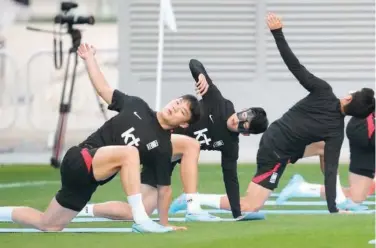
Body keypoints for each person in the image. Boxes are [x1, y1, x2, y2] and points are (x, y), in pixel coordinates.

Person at [177, 12, 375, 214]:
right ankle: (192, 199)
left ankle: (333, 198)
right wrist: (332, 209)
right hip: (276, 151)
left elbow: (294, 66)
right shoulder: (336, 132)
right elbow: (331, 171)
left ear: (348, 99)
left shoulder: (324, 92)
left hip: (279, 141)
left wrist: (277, 33)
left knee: (323, 149)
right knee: (250, 206)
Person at [0, 43, 201, 233]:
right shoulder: (137, 105)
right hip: (80, 158)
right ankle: (141, 221)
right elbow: (104, 89)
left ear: (183, 124)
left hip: (88, 181)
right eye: (177, 102)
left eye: (181, 111)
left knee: (48, 224)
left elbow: (164, 190)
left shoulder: (164, 148)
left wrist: (164, 224)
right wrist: (89, 59)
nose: (175, 107)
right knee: (130, 153)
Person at [77, 58, 269, 222]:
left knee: (139, 211)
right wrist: (200, 75)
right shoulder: (220, 103)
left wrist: (237, 214)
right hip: (159, 138)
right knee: (192, 145)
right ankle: (192, 207)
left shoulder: (230, 145)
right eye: (244, 115)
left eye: (245, 125)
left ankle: (81, 211)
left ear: (245, 133)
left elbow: (230, 178)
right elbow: (194, 63)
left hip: (164, 156)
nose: (239, 121)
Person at [277, 112, 375, 210]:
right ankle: (281, 154)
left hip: (364, 124)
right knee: (324, 148)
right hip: (366, 126)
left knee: (357, 197)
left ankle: (303, 188)